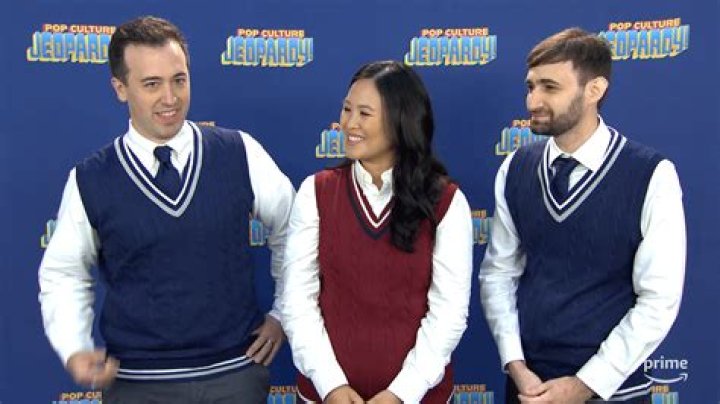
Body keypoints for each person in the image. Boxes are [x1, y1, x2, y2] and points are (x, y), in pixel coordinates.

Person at [38, 16, 295, 403]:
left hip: (234, 377)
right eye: (152, 84)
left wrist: (283, 314)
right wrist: (74, 346)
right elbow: (63, 273)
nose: (170, 98)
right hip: (137, 385)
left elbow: (295, 232)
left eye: (179, 80)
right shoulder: (91, 179)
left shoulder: (239, 152)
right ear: (120, 88)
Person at [479, 27, 686, 404]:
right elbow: (498, 273)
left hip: (614, 394)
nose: (533, 101)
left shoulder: (651, 175)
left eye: (550, 87)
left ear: (595, 90)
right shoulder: (515, 168)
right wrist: (516, 365)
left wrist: (585, 384)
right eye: (530, 87)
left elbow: (659, 300)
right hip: (529, 389)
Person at [280, 60, 473, 404]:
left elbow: (448, 315)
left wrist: (401, 393)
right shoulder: (317, 192)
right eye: (347, 109)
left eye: (365, 113)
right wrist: (331, 386)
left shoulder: (446, 202)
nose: (349, 123)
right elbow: (297, 301)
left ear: (401, 121)